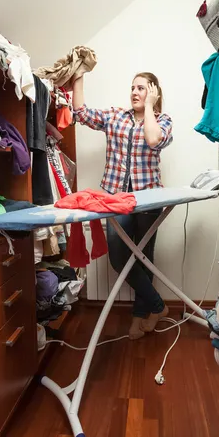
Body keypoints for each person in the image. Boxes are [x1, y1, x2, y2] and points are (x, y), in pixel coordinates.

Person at [72, 72, 173, 340]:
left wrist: (150, 107)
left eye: (141, 88)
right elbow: (80, 112)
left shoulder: (163, 121)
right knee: (119, 257)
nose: (135, 92)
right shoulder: (116, 116)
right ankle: (158, 307)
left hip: (148, 200)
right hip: (115, 199)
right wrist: (78, 76)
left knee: (144, 257)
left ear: (154, 92)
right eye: (132, 87)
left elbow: (153, 140)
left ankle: (140, 317)